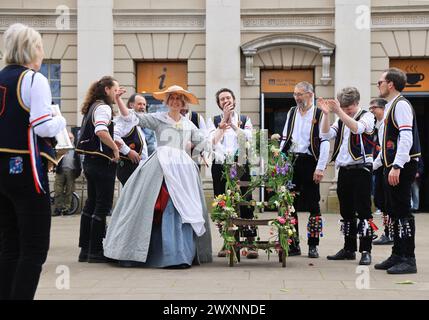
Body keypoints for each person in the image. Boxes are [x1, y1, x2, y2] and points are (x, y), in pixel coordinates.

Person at [104, 85, 213, 268]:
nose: (176, 101)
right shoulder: (158, 119)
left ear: (183, 103)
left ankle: (179, 254)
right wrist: (118, 100)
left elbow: (203, 142)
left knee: (181, 206)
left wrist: (205, 152)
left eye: (179, 98)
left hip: (182, 169)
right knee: (156, 203)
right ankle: (146, 251)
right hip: (160, 166)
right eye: (172, 98)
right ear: (167, 101)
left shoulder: (188, 124)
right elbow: (132, 117)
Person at [0, 23, 66, 299]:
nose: (42, 50)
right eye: (39, 45)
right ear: (31, 48)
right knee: (35, 247)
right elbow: (42, 126)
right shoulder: (33, 79)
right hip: (25, 169)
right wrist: (60, 120)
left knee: (8, 245)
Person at [320, 87, 376, 266]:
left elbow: (358, 128)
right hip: (344, 170)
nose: (345, 111)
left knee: (364, 212)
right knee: (346, 211)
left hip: (361, 169)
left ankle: (366, 250)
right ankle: (349, 248)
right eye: (343, 107)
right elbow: (326, 134)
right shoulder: (341, 118)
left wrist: (340, 113)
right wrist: (326, 114)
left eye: (348, 107)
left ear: (357, 103)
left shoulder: (367, 116)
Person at [373, 68, 421, 274]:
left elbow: (406, 138)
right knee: (393, 212)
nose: (378, 85)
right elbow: (386, 143)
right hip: (390, 166)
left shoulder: (401, 105)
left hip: (401, 166)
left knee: (403, 213)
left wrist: (397, 166)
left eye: (380, 82)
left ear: (390, 84)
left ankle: (409, 258)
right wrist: (376, 165)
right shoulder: (390, 105)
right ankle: (397, 253)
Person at [279, 81, 330, 258]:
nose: (296, 97)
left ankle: (313, 245)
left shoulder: (319, 113)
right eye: (295, 94)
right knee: (289, 205)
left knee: (313, 205)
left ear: (310, 94)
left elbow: (324, 141)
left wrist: (321, 167)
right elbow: (285, 137)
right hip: (292, 162)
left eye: (299, 94)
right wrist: (280, 160)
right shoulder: (292, 112)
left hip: (310, 162)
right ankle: (293, 245)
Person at [206, 88, 257, 259]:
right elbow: (211, 142)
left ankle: (250, 242)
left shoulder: (244, 119)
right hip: (220, 166)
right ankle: (227, 241)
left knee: (246, 201)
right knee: (222, 203)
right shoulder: (212, 121)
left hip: (241, 165)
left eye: (228, 97)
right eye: (222, 99)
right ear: (219, 104)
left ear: (234, 100)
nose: (225, 101)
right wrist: (222, 125)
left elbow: (249, 138)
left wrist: (233, 124)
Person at [75, 76, 120, 263]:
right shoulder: (103, 107)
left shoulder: (92, 106)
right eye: (115, 90)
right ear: (107, 89)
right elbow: (101, 131)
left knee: (91, 204)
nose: (117, 93)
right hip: (102, 162)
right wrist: (115, 148)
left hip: (90, 162)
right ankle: (95, 250)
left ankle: (85, 250)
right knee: (102, 206)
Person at [369, 98, 394, 245]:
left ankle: (390, 233)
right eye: (370, 108)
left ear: (383, 108)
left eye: (374, 108)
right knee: (380, 200)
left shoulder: (386, 124)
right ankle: (388, 231)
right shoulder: (376, 125)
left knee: (387, 201)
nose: (371, 110)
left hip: (385, 166)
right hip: (379, 167)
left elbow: (385, 149)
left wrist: (373, 165)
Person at [114, 93, 149, 186]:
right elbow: (113, 135)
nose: (142, 107)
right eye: (139, 104)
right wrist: (128, 151)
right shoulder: (127, 120)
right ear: (131, 105)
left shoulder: (139, 122)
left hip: (140, 168)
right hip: (128, 168)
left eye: (144, 104)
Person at [52, 132, 82, 216]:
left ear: (73, 139)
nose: (70, 139)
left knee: (69, 191)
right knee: (58, 190)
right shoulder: (61, 147)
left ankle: (66, 209)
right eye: (68, 138)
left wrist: (78, 172)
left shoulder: (75, 149)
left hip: (71, 172)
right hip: (60, 171)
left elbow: (78, 162)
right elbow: (55, 158)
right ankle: (58, 208)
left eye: (71, 138)